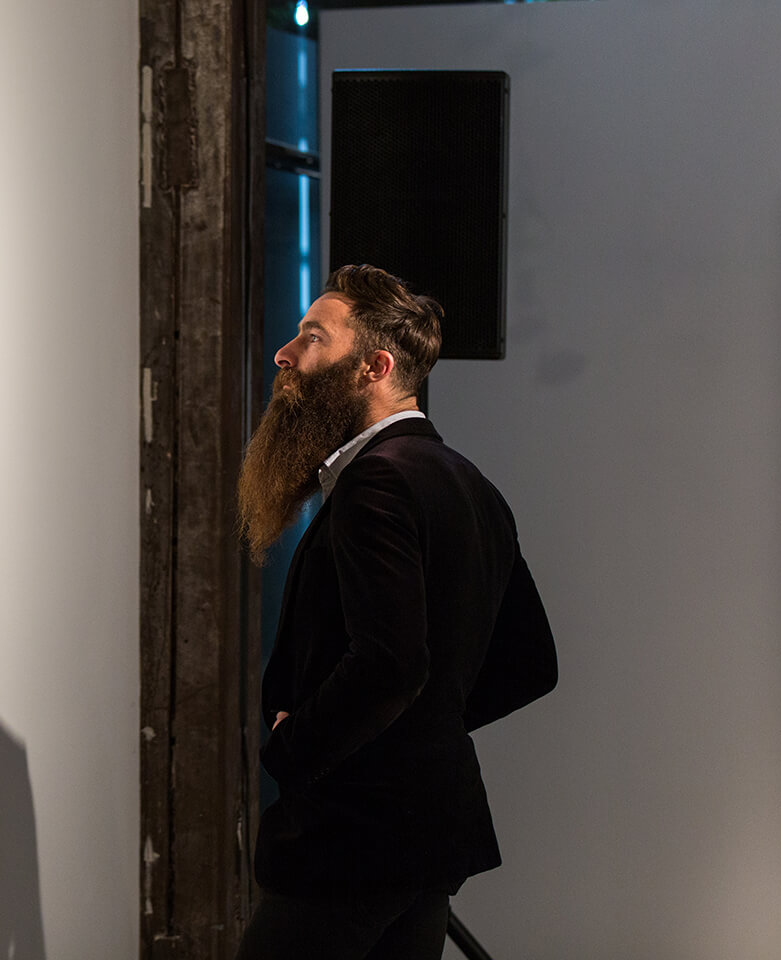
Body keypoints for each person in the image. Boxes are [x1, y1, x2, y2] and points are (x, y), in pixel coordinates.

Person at [236, 264, 557, 960]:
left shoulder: (378, 482)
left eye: (312, 338)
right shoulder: (468, 481)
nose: (284, 355)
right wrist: (426, 727)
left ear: (373, 367)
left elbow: (391, 664)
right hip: (427, 835)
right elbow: (530, 664)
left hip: (355, 836)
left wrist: (295, 747)